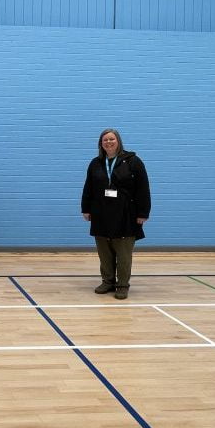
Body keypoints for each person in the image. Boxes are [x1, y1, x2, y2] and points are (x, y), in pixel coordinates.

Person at [81, 128, 150, 300]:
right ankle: (108, 281)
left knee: (123, 253)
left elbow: (143, 189)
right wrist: (86, 208)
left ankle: (122, 285)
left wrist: (143, 213)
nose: (108, 142)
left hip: (125, 214)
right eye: (105, 140)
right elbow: (88, 187)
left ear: (118, 141)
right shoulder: (95, 163)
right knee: (104, 251)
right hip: (101, 213)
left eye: (112, 139)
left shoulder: (133, 162)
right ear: (101, 144)